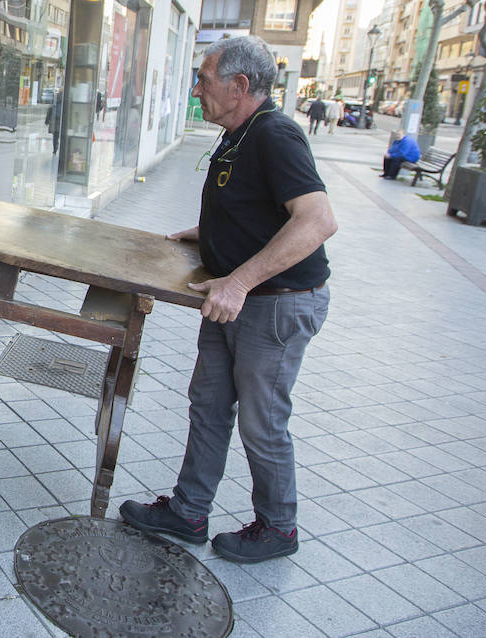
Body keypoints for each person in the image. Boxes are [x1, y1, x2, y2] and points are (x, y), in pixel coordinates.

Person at [120, 35, 335, 564]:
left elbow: (318, 220)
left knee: (262, 422)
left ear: (240, 86)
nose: (196, 90)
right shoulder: (239, 133)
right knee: (209, 406)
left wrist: (238, 281)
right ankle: (189, 510)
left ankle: (279, 527)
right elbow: (258, 205)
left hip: (274, 304)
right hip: (230, 297)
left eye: (205, 79)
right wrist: (210, 231)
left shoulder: (275, 135)